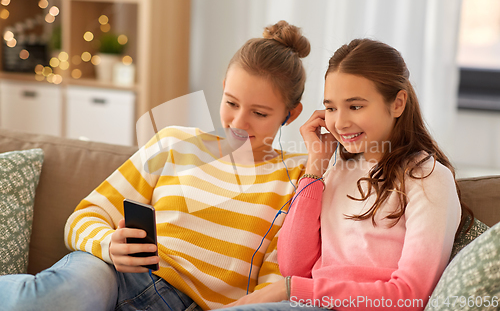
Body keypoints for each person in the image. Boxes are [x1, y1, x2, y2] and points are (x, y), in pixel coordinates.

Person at [0, 20, 311, 311]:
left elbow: (274, 286)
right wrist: (109, 245)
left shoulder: (297, 179)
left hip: (184, 305)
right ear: (223, 86)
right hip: (110, 273)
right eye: (231, 103)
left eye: (259, 113)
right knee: (44, 299)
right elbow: (84, 217)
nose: (238, 123)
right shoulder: (174, 143)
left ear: (291, 114)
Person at [220, 38, 472, 311]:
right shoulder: (336, 172)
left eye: (355, 106)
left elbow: (409, 295)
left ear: (398, 103)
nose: (339, 123)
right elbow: (293, 265)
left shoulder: (428, 178)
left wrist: (293, 289)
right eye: (330, 108)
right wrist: (315, 166)